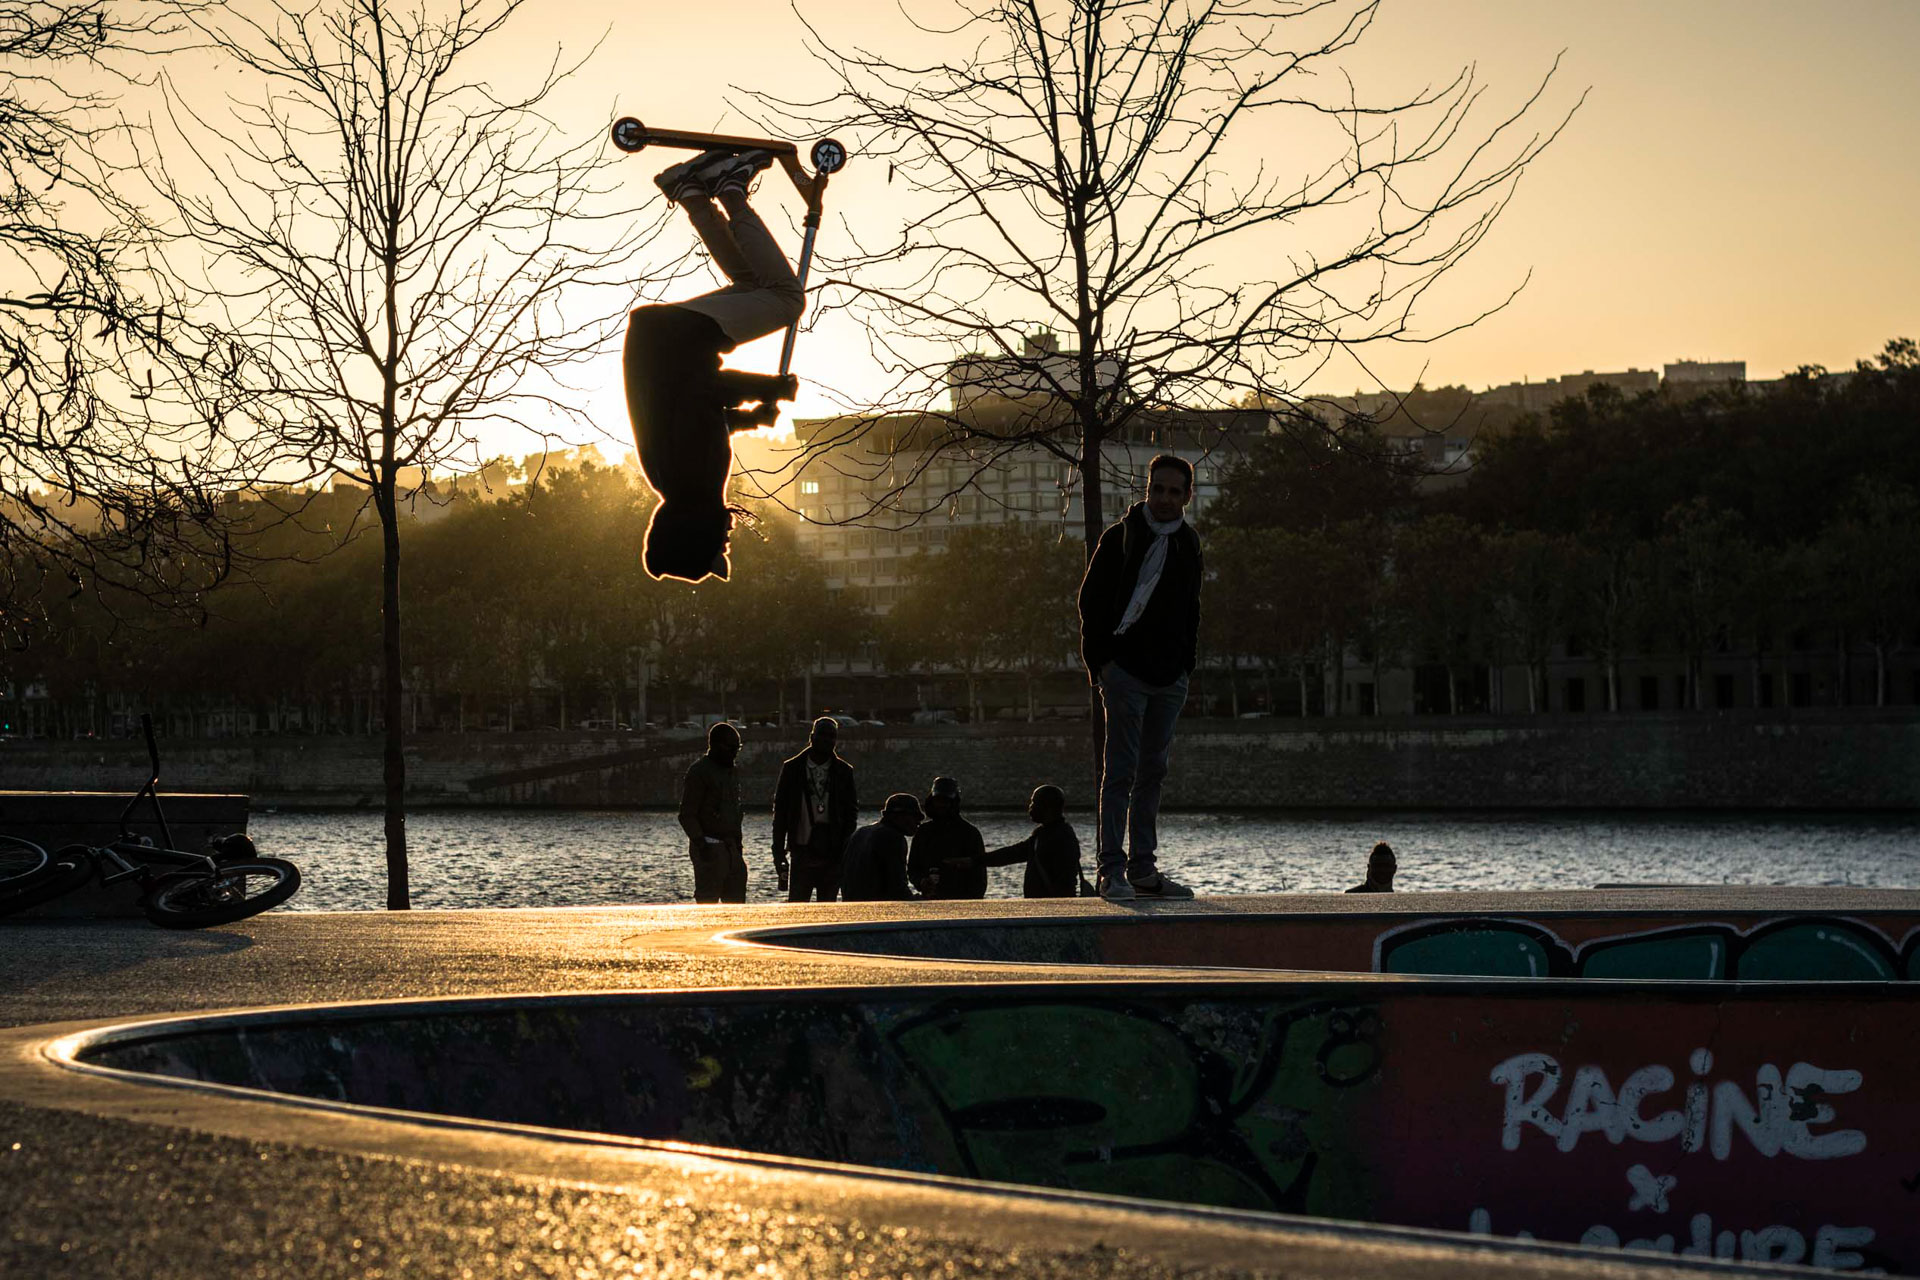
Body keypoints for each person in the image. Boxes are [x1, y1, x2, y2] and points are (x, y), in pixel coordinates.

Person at [626, 148, 805, 582]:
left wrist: (768, 390)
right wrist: (748, 419)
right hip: (662, 339)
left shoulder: (691, 481)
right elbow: (704, 418)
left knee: (786, 298)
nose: (727, 540)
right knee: (751, 283)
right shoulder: (682, 484)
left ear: (693, 535)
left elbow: (701, 391)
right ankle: (689, 190)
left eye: (717, 547)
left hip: (679, 342)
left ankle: (730, 188)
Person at [1076, 454, 1202, 901]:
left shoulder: (1189, 544)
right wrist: (1103, 665)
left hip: (1169, 679)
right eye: (1157, 489)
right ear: (1146, 490)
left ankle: (1143, 869)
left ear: (1187, 495)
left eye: (1174, 491)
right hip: (1125, 674)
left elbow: (1191, 609)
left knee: (1154, 772)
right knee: (1121, 773)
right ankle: (1111, 870)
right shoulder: (1121, 538)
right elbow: (1090, 603)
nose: (1164, 498)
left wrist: (1185, 665)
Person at [770, 717, 858, 902]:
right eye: (823, 735)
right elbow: (780, 813)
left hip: (833, 851)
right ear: (812, 737)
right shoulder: (792, 768)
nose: (827, 740)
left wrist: (845, 848)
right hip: (802, 850)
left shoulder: (844, 771)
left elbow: (851, 814)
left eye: (832, 736)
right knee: (797, 908)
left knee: (828, 910)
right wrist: (778, 852)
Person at [969, 784, 1086, 899]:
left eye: (1034, 803)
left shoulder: (1054, 837)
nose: (1030, 807)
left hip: (1051, 909)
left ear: (1047, 806)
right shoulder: (1054, 833)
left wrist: (974, 861)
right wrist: (975, 861)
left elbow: (1015, 853)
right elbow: (1014, 853)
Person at [677, 722, 748, 903]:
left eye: (737, 747)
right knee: (707, 903)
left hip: (732, 847)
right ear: (715, 745)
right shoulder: (699, 772)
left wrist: (737, 848)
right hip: (710, 846)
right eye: (730, 747)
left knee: (737, 906)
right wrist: (702, 844)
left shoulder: (732, 771)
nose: (734, 752)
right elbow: (686, 814)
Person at [907, 776, 987, 899]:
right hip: (930, 899)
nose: (941, 805)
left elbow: (979, 878)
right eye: (937, 801)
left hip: (962, 902)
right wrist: (921, 881)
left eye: (945, 801)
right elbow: (913, 868)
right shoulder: (923, 832)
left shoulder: (969, 833)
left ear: (954, 803)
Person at [841, 793, 924, 901]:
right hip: (875, 908)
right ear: (897, 816)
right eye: (914, 817)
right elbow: (897, 888)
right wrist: (919, 900)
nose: (918, 822)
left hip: (851, 905)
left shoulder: (860, 832)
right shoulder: (893, 838)